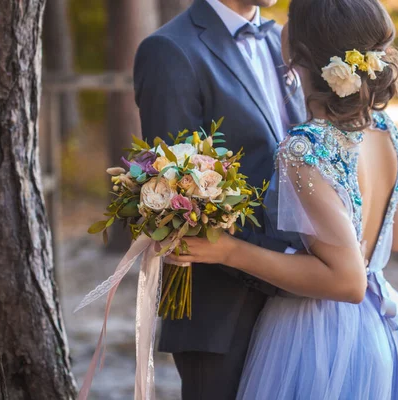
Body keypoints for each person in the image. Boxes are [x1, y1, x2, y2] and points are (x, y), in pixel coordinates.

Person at [167, 0, 398, 398]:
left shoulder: (304, 147)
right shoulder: (384, 128)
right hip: (387, 332)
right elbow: (395, 237)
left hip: (320, 340)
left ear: (297, 49)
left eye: (292, 19)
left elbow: (347, 281)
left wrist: (227, 251)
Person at [133, 0, 306, 398]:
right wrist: (283, 268)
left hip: (301, 299)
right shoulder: (170, 51)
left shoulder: (284, 38)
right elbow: (179, 197)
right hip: (221, 308)